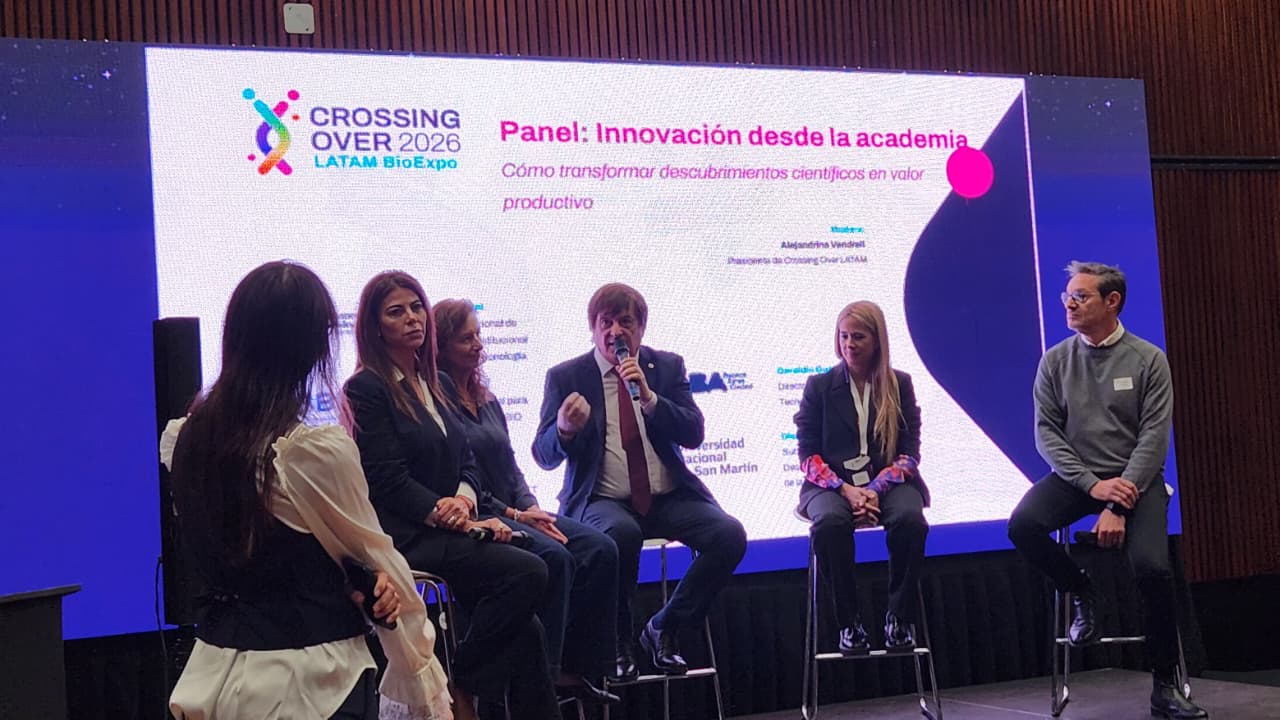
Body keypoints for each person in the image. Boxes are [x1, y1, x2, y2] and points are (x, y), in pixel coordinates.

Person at [161, 261, 452, 720]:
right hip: (312, 682)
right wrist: (419, 677)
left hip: (211, 676)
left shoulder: (184, 440)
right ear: (314, 345)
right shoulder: (310, 452)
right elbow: (377, 560)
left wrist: (356, 580)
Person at [344, 271, 561, 720]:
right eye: (396, 312)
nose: (412, 318)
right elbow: (386, 480)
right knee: (529, 571)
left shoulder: (435, 383)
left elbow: (467, 462)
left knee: (529, 629)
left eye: (416, 307)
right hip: (409, 537)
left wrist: (463, 501)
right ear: (374, 327)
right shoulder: (367, 388)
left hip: (452, 527)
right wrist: (444, 514)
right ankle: (463, 688)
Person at [1007, 261, 1207, 719]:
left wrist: (1117, 498)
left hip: (1137, 481)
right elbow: (1046, 435)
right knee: (1023, 526)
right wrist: (1092, 485)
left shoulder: (1147, 359)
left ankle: (1165, 686)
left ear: (1112, 302)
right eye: (1067, 297)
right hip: (1081, 478)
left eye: (1081, 296)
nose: (1070, 305)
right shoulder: (1056, 361)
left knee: (1152, 568)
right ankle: (1081, 589)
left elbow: (1153, 438)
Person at [532, 282, 747, 680]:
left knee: (729, 535)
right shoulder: (566, 376)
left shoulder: (665, 368)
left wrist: (650, 399)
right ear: (593, 329)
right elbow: (542, 456)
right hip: (602, 500)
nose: (615, 331)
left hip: (667, 497)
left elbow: (694, 433)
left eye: (625, 322)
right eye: (606, 322)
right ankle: (618, 642)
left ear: (641, 329)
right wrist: (563, 430)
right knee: (622, 534)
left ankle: (664, 626)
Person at [433, 298, 621, 705]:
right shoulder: (437, 405)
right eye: (466, 339)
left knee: (600, 549)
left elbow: (512, 466)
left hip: (517, 508)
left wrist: (531, 507)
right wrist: (516, 513)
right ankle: (542, 683)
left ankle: (576, 667)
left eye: (478, 335)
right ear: (441, 347)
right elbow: (460, 478)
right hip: (482, 513)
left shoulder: (485, 398)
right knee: (555, 557)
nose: (478, 345)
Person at [794, 300, 930, 653]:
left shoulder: (900, 384)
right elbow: (807, 456)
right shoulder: (819, 386)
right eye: (844, 336)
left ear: (877, 340)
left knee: (910, 520)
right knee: (829, 524)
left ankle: (899, 617)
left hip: (889, 484)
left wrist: (873, 490)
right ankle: (848, 623)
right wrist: (846, 490)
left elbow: (909, 454)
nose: (849, 344)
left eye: (858, 337)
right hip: (830, 486)